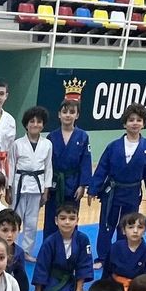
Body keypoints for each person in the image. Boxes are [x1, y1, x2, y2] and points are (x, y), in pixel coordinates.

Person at [91, 103, 146, 248]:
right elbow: (102, 168)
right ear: (124, 123)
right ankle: (103, 257)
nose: (135, 123)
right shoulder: (113, 146)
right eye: (131, 120)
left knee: (128, 224)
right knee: (107, 223)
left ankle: (121, 253)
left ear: (144, 124)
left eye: (139, 120)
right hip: (113, 191)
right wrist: (93, 190)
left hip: (132, 192)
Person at [32, 202, 94, 291]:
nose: (67, 222)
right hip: (54, 280)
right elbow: (41, 268)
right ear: (56, 221)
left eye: (71, 219)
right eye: (63, 218)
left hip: (72, 282)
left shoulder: (82, 239)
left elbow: (84, 265)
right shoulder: (50, 242)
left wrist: (79, 290)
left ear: (77, 221)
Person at [10, 105, 54, 258]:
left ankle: (27, 251)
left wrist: (46, 189)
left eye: (39, 122)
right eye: (32, 121)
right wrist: (9, 187)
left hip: (37, 186)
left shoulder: (47, 144)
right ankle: (12, 248)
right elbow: (11, 165)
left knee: (32, 221)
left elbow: (49, 167)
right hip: (19, 185)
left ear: (43, 124)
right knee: (15, 219)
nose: (35, 124)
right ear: (26, 124)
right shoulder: (17, 144)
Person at [45, 98, 92, 228]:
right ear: (59, 114)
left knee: (70, 218)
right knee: (51, 219)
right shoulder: (51, 137)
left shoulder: (83, 136)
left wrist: (82, 185)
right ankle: (50, 246)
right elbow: (47, 164)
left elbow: (85, 161)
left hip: (73, 184)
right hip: (55, 184)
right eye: (65, 112)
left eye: (72, 112)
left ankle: (71, 246)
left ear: (77, 115)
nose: (68, 115)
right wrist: (47, 186)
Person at [103, 211, 146, 291]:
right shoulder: (115, 247)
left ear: (144, 231)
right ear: (123, 230)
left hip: (138, 289)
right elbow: (107, 270)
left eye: (140, 227)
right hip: (114, 288)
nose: (135, 231)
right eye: (131, 227)